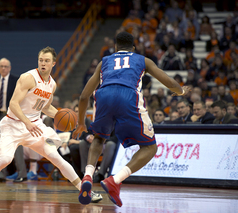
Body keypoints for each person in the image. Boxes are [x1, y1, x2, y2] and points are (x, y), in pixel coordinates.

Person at [0, 47, 102, 204]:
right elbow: (13, 104)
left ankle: (85, 191)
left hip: (35, 126)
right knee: (5, 159)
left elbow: (46, 107)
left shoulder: (52, 85)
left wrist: (65, 117)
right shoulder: (28, 78)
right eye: (41, 60)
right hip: (12, 125)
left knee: (56, 156)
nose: (43, 63)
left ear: (53, 63)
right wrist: (26, 122)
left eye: (46, 61)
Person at [72, 32, 189, 207]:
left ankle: (88, 175)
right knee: (150, 147)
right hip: (128, 96)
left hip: (104, 95)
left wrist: (81, 123)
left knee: (99, 137)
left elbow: (83, 97)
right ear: (133, 48)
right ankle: (115, 180)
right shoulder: (142, 60)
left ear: (115, 47)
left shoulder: (105, 61)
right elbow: (168, 81)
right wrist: (180, 91)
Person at [0, 58, 19, 125]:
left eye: (5, 66)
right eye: (1, 66)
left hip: (12, 114)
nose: (3, 68)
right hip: (0, 114)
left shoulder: (15, 80)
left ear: (9, 68)